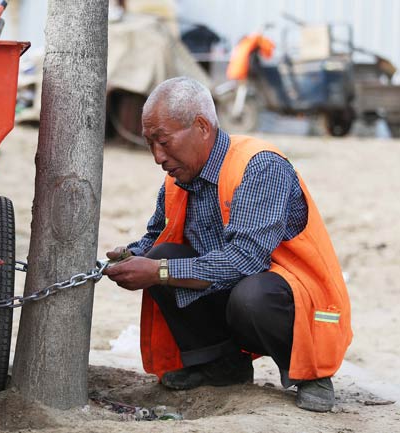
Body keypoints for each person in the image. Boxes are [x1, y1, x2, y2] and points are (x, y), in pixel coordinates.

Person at [103, 76, 352, 413]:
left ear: (202, 127)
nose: (157, 157)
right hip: (232, 292)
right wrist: (133, 254)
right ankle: (221, 365)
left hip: (285, 300)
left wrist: (158, 271)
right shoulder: (179, 177)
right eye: (150, 144)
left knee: (248, 293)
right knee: (160, 254)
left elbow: (244, 260)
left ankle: (312, 375)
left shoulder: (259, 166)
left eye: (163, 142)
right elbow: (157, 236)